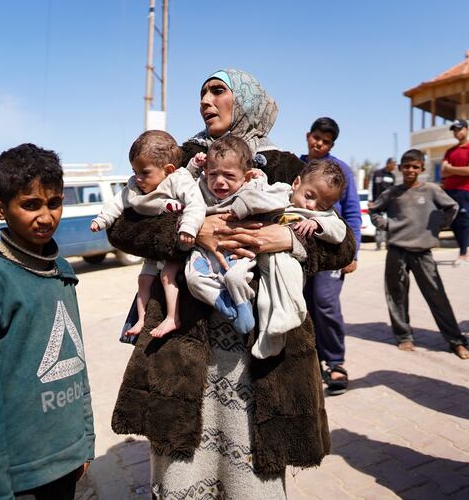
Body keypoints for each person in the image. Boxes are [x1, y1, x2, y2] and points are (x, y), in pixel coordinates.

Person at [109, 69, 355, 499]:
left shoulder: (286, 166)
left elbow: (343, 245)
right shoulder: (183, 158)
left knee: (252, 472)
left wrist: (287, 240)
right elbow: (123, 226)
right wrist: (189, 231)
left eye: (217, 91)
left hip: (257, 356)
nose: (205, 100)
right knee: (182, 462)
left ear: (245, 101)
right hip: (186, 345)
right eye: (202, 92)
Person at [0, 143, 95, 499]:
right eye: (31, 205)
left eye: (54, 203)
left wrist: (85, 441)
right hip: (21, 473)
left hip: (69, 459)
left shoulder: (61, 270)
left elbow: (76, 365)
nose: (46, 217)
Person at [185, 139, 347, 358]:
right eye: (309, 197)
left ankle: (286, 319)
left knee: (283, 285)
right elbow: (259, 197)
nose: (312, 206)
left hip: (279, 256)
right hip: (249, 260)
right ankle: (270, 333)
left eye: (322, 205)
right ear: (296, 183)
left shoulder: (286, 165)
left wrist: (303, 232)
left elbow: (342, 239)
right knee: (264, 299)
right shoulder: (193, 154)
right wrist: (197, 228)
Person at [91, 130, 205, 338]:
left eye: (144, 172)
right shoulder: (134, 187)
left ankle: (172, 317)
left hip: (175, 248)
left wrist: (188, 228)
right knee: (143, 280)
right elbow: (116, 203)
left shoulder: (179, 181)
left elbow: (196, 204)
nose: (138, 178)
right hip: (152, 250)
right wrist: (102, 220)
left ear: (168, 170)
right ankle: (141, 319)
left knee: (167, 276)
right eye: (134, 171)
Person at [369, 149, 469, 359]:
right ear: (400, 168)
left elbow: (452, 207)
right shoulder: (392, 192)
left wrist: (436, 225)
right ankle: (403, 336)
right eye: (407, 166)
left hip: (423, 251)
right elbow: (374, 210)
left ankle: (456, 341)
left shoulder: (431, 190)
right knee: (396, 295)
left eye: (415, 167)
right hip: (397, 250)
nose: (411, 170)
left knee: (437, 296)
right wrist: (387, 225)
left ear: (422, 169)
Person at [300, 116, 362, 396]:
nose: (319, 144)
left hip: (332, 251)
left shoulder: (341, 171)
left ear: (332, 145)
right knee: (302, 304)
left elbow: (353, 213)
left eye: (326, 141)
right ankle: (310, 360)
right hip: (299, 250)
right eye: (316, 137)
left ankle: (335, 362)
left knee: (325, 302)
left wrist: (353, 253)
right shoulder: (295, 164)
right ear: (308, 136)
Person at [440, 118, 469, 265]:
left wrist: (450, 169)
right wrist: (457, 171)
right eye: (454, 130)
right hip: (449, 191)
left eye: (459, 129)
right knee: (453, 222)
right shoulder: (450, 151)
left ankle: (463, 253)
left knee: (463, 221)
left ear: (466, 129)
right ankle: (463, 249)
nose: (456, 132)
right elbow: (442, 172)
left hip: (464, 191)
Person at [371, 157, 396, 250]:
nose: (394, 166)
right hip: (378, 204)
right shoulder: (377, 173)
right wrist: (370, 201)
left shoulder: (392, 176)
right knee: (378, 224)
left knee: (389, 224)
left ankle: (388, 245)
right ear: (388, 164)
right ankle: (378, 245)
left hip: (389, 204)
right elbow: (371, 187)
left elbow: (394, 190)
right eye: (393, 164)